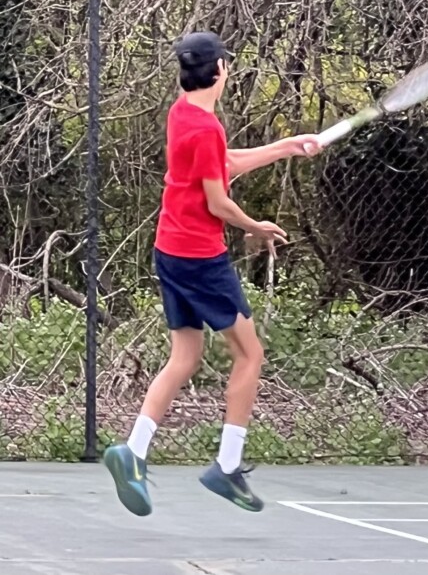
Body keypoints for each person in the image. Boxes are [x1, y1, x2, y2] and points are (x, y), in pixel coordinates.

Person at [103, 31, 322, 516]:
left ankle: (133, 451)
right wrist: (254, 225)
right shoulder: (205, 127)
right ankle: (227, 465)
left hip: (169, 250)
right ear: (220, 69)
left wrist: (286, 147)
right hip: (201, 258)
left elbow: (222, 166)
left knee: (185, 354)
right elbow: (218, 200)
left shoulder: (184, 115)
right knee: (250, 354)